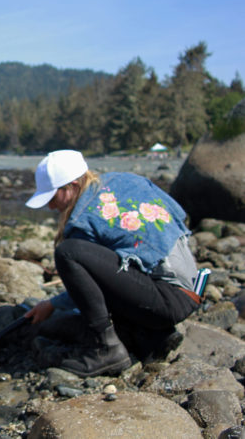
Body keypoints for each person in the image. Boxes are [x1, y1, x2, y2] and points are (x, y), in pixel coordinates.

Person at [23, 150, 201, 377]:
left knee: (69, 253)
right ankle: (145, 334)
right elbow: (179, 214)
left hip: (169, 301)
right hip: (194, 287)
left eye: (52, 197)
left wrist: (53, 304)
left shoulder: (82, 220)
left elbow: (91, 283)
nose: (50, 207)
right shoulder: (125, 180)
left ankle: (107, 349)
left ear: (73, 186)